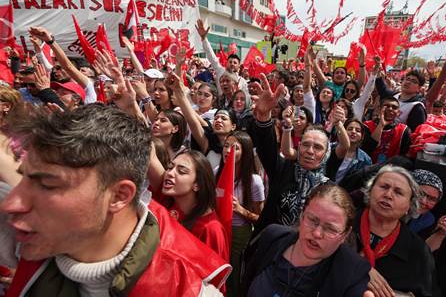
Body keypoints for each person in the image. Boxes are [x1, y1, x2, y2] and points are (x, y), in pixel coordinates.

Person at [0, 104, 229, 296]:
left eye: (48, 185)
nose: (12, 204)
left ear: (119, 197)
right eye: (24, 178)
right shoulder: (31, 235)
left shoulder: (188, 288)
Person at [242, 184, 371, 297]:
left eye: (330, 229)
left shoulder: (353, 271)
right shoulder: (273, 236)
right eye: (312, 220)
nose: (317, 233)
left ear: (345, 234)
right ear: (302, 215)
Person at [252, 74, 332, 234]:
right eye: (306, 145)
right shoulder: (283, 169)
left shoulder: (329, 190)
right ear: (299, 146)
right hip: (271, 247)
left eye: (317, 147)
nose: (310, 151)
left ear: (326, 154)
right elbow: (266, 148)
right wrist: (263, 116)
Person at [355, 165, 438, 297]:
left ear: (409, 207)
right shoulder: (343, 222)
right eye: (384, 187)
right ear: (369, 192)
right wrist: (355, 266)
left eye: (398, 192)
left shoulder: (418, 250)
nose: (388, 195)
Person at [150, 149, 229, 262]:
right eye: (170, 167)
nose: (170, 173)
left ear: (197, 185)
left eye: (181, 171)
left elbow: (216, 277)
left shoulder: (211, 229)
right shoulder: (168, 203)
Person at [216, 131, 265, 297]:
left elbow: (260, 218)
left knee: (234, 277)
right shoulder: (216, 172)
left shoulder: (254, 181)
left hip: (238, 235)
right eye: (226, 146)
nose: (228, 151)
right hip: (218, 231)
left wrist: (240, 210)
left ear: (245, 152)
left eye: (235, 148)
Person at [364, 96, 411, 164]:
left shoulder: (404, 130)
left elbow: (404, 157)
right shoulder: (367, 126)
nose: (390, 109)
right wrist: (381, 125)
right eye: (386, 106)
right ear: (379, 109)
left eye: (394, 107)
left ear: (398, 113)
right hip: (366, 167)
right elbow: (367, 149)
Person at [327, 118, 372, 183]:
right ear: (343, 132)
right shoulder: (329, 148)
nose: (353, 132)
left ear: (362, 136)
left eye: (358, 130)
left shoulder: (366, 160)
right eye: (350, 129)